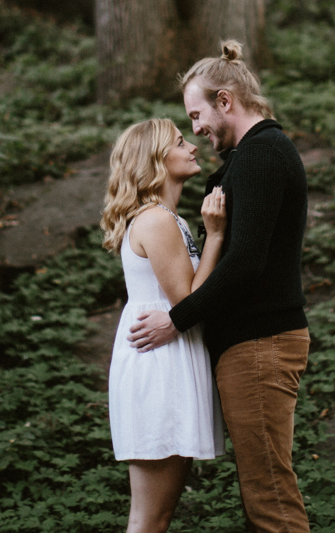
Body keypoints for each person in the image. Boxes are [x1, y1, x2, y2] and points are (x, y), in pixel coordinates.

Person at [128, 41, 311, 533]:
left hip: (260, 346)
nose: (197, 130)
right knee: (262, 497)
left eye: (197, 115)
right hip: (251, 346)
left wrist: (176, 319)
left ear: (225, 100)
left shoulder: (261, 155)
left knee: (270, 497)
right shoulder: (252, 157)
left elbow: (247, 262)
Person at [102, 118, 229, 533]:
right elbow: (186, 301)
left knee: (155, 516)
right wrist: (214, 235)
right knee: (150, 519)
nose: (192, 146)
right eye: (179, 142)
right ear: (157, 159)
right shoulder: (156, 220)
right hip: (157, 369)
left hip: (169, 360)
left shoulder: (165, 218)